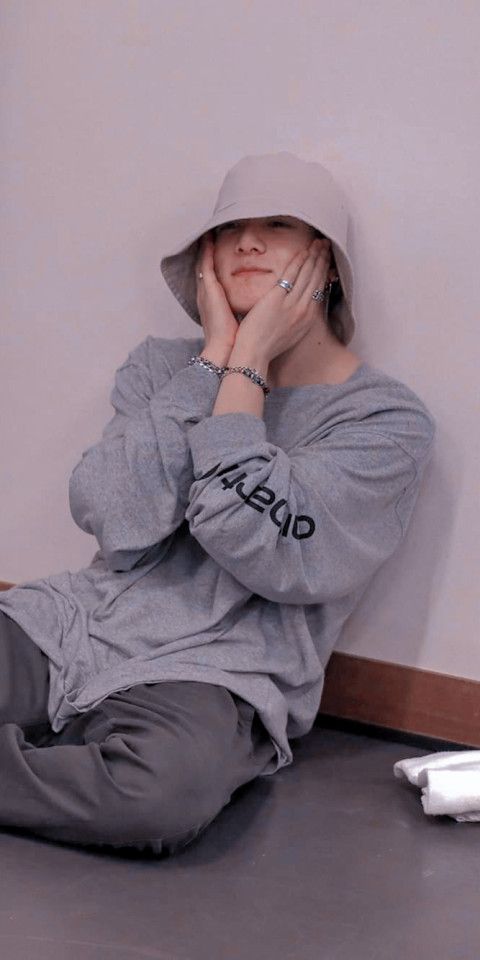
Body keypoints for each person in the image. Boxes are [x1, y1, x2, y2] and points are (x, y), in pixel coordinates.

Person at [0, 151, 436, 856]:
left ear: (325, 262)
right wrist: (212, 365)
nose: (247, 243)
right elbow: (115, 517)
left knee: (155, 798)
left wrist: (247, 367)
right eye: (229, 228)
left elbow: (268, 553)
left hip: (216, 672)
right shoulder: (161, 367)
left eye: (277, 224)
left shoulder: (385, 422)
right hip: (73, 625)